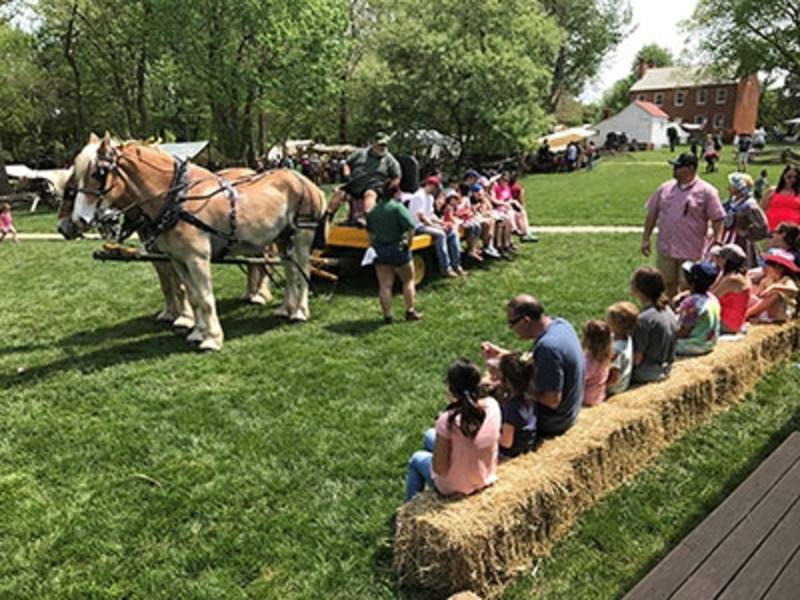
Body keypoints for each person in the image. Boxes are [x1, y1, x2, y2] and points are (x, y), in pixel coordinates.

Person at [481, 295, 584, 437]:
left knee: (492, 398)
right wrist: (505, 356)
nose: (510, 328)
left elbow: (551, 400)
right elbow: (537, 362)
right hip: (571, 410)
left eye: (512, 323)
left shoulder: (547, 348)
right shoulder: (560, 324)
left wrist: (510, 382)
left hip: (555, 421)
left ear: (526, 321)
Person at [404, 358, 501, 502]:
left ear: (451, 389)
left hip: (456, 487)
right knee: (429, 435)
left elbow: (440, 469)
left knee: (416, 458)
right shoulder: (493, 405)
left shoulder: (447, 420)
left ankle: (407, 510)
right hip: (485, 475)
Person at [641, 152, 725, 297]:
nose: (674, 169)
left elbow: (718, 218)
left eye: (678, 167)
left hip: (691, 251)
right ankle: (668, 316)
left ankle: (686, 316)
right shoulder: (664, 188)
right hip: (666, 249)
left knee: (689, 287)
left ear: (691, 168)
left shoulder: (707, 191)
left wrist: (718, 242)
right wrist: (646, 239)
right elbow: (652, 214)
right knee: (665, 285)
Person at [365, 182, 422, 324]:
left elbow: (370, 232)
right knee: (408, 280)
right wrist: (408, 243)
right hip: (398, 247)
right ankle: (410, 311)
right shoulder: (397, 208)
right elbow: (411, 227)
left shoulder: (373, 211)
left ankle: (387, 316)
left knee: (385, 285)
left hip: (380, 249)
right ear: (395, 193)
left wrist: (373, 244)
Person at [327, 134, 401, 226]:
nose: (383, 148)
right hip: (355, 183)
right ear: (373, 144)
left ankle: (367, 218)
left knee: (370, 194)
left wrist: (390, 189)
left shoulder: (389, 160)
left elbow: (397, 176)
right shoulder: (360, 153)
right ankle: (327, 217)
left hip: (374, 185)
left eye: (385, 145)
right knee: (339, 193)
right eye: (380, 145)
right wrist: (347, 173)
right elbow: (347, 163)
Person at [407, 176, 465, 277]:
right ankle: (446, 268)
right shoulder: (418, 196)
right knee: (441, 234)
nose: (437, 190)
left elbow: (431, 215)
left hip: (427, 224)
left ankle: (457, 265)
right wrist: (437, 226)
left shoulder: (430, 197)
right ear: (430, 185)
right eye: (436, 187)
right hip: (417, 227)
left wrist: (442, 223)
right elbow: (421, 217)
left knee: (452, 232)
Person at [630, 267, 678, 383]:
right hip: (666, 368)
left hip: (648, 373)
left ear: (639, 288)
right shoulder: (668, 310)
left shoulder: (643, 320)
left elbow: (637, 359)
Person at [720, 172, 769, 268]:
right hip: (725, 237)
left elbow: (762, 225)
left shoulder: (749, 205)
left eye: (732, 185)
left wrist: (746, 233)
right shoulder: (731, 201)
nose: (728, 187)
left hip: (741, 242)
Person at [675, 261, 721, 356]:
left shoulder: (691, 303)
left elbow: (684, 331)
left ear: (691, 282)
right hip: (709, 343)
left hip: (694, 346)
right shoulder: (712, 298)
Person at [497, 352, 537, 458]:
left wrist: (490, 435)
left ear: (508, 381)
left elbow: (506, 443)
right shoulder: (531, 396)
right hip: (527, 446)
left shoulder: (512, 407)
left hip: (511, 454)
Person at [746, 249, 799, 323]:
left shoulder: (786, 279)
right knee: (750, 296)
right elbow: (757, 295)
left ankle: (746, 314)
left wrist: (774, 287)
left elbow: (794, 289)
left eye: (768, 266)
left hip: (781, 313)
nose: (765, 268)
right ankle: (748, 313)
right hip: (766, 311)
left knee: (776, 295)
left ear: (779, 268)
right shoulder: (766, 280)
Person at [709, 244, 751, 334]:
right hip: (733, 322)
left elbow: (711, 297)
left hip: (728, 324)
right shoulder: (740, 275)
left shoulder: (733, 279)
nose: (716, 260)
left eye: (719, 257)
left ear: (726, 260)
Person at [605, 302, 639, 396]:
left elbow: (613, 377)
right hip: (623, 382)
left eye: (608, 320)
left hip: (616, 387)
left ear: (616, 325)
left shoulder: (617, 350)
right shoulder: (627, 337)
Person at [581, 319, 613, 406]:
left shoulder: (588, 362)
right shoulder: (606, 356)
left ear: (588, 340)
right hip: (599, 397)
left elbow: (578, 381)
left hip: (586, 399)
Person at [762, 164, 800, 231]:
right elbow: (762, 209)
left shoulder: (798, 193)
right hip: (772, 228)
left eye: (795, 177)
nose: (792, 179)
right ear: (783, 176)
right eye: (789, 177)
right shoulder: (772, 190)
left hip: (793, 231)